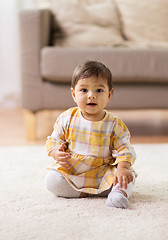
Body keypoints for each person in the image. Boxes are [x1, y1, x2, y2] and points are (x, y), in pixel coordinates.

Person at [45, 60, 136, 208]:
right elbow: (53, 140)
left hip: (103, 172)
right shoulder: (66, 118)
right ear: (74, 94)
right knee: (51, 180)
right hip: (75, 171)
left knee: (128, 176)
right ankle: (89, 193)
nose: (91, 96)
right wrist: (56, 153)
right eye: (84, 90)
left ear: (109, 95)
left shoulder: (114, 124)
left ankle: (117, 193)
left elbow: (124, 149)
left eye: (99, 90)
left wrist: (123, 168)